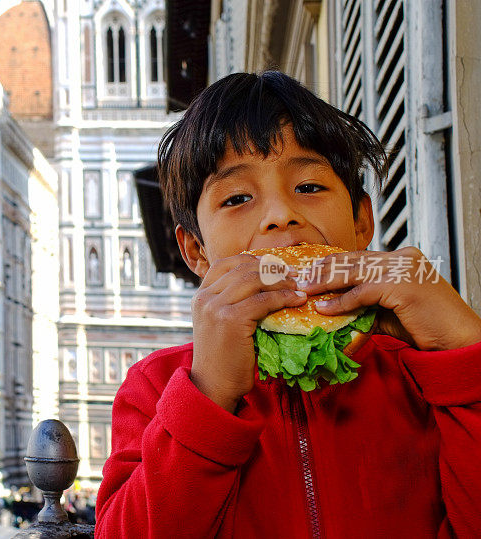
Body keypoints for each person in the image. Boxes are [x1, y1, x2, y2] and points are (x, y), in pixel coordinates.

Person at [94, 71, 481, 537]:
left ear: (361, 223)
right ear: (196, 250)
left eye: (310, 188)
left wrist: (464, 358)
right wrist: (209, 396)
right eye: (237, 198)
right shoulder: (156, 389)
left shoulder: (424, 374)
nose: (280, 216)